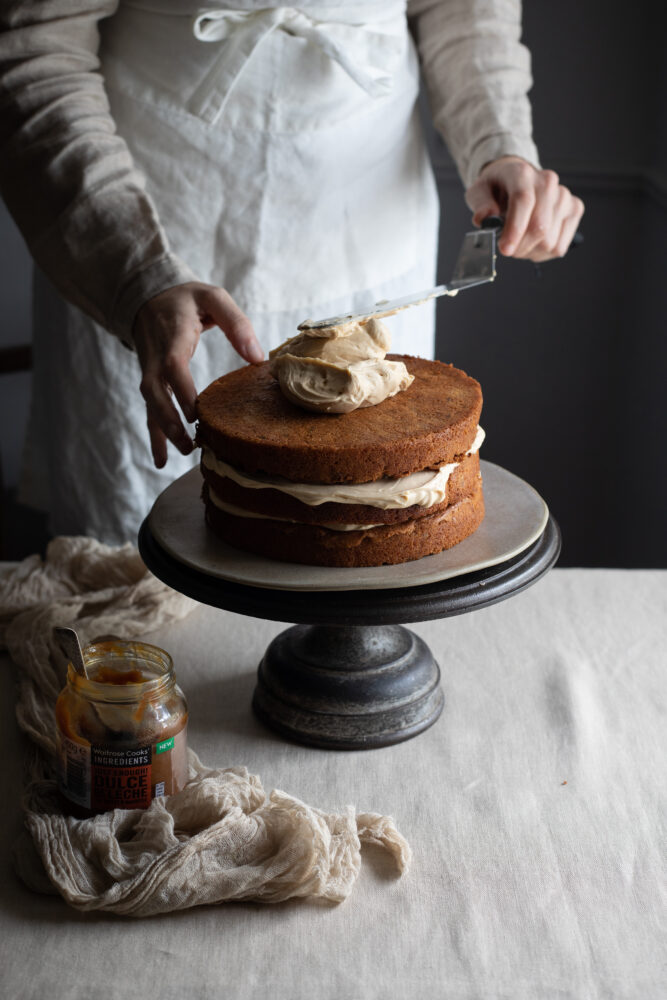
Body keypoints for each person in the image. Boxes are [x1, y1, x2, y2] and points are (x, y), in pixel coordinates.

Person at [0, 1, 584, 545]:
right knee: (138, 573)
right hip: (145, 223)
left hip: (368, 227)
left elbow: (468, 16)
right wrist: (133, 271)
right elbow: (37, 48)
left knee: (373, 537)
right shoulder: (133, 257)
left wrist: (499, 143)